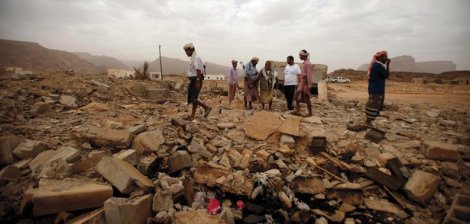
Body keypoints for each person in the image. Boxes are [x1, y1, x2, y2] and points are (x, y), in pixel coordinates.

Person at [183, 43, 212, 121]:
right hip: (194, 80)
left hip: (196, 80)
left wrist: (198, 81)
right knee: (194, 99)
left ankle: (207, 108)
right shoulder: (193, 58)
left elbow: (198, 70)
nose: (186, 53)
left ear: (191, 50)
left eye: (187, 51)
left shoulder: (196, 58)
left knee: (193, 99)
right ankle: (192, 116)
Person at [364, 50, 391, 126]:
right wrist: (388, 65)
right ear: (380, 57)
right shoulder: (378, 66)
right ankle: (368, 122)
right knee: (374, 105)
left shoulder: (375, 65)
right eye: (385, 57)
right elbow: (386, 75)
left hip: (374, 89)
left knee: (373, 104)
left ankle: (368, 121)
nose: (386, 59)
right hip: (377, 90)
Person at [294, 49, 313, 116]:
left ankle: (310, 113)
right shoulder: (305, 63)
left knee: (306, 97)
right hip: (302, 82)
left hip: (305, 83)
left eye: (300, 55)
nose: (299, 57)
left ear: (303, 55)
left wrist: (309, 86)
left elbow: (309, 75)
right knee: (296, 96)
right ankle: (298, 110)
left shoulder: (307, 64)